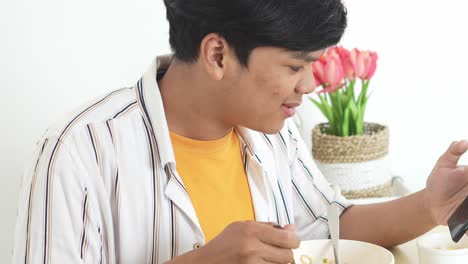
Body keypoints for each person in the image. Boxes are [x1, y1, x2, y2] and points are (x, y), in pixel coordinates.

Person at [12, 0, 468, 263]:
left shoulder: (272, 130)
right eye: (295, 65)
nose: (310, 85)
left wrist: (433, 204)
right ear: (217, 55)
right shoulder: (78, 152)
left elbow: (332, 227)